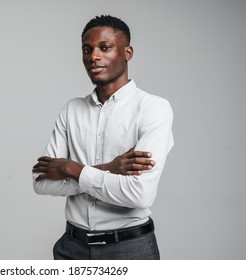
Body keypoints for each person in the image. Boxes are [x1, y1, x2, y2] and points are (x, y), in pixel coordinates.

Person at [32, 15, 174, 260]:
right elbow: (41, 182)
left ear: (127, 52)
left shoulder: (153, 108)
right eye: (87, 50)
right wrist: (108, 168)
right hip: (71, 248)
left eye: (104, 48)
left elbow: (139, 195)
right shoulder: (71, 110)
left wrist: (69, 167)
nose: (93, 56)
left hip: (129, 249)